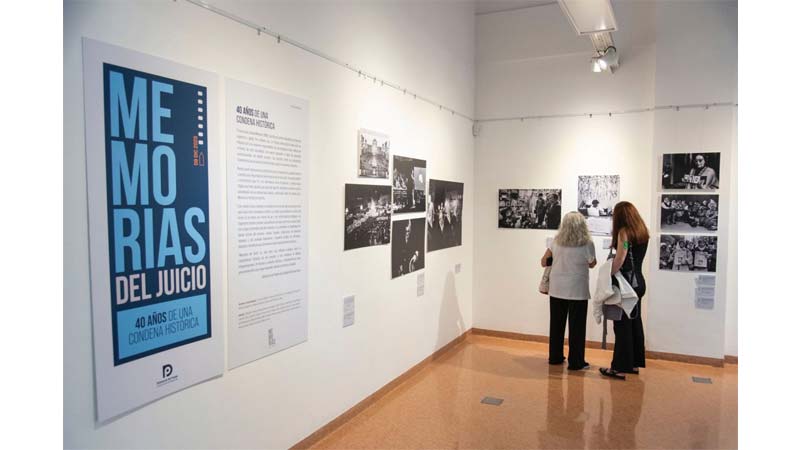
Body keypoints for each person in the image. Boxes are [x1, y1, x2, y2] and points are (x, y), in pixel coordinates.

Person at [540, 212, 597, 371]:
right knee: (577, 327)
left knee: (556, 325)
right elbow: (592, 263)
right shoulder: (587, 243)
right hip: (577, 290)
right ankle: (576, 362)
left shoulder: (555, 242)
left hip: (557, 288)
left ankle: (555, 357)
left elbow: (543, 262)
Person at [600, 201, 650, 380]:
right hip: (639, 283)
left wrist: (607, 273)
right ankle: (634, 364)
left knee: (621, 326)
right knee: (635, 323)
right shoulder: (642, 231)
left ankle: (619, 368)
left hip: (626, 285)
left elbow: (620, 259)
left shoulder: (623, 233)